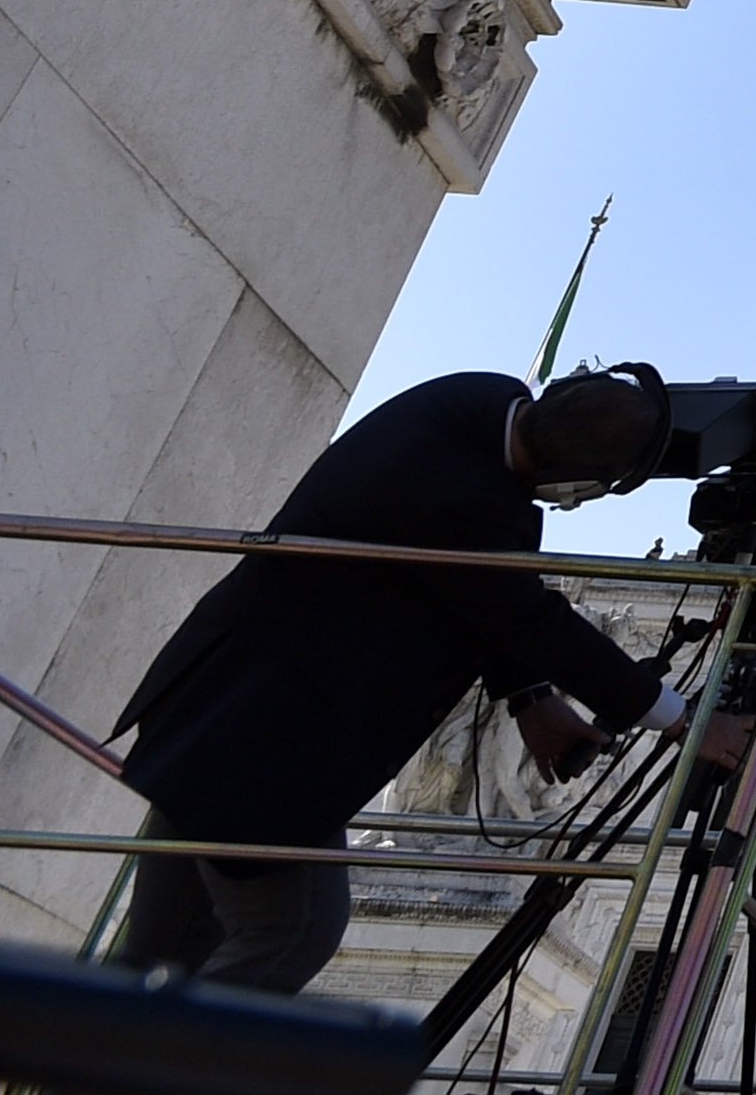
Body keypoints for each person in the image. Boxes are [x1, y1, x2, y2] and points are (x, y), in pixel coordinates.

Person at [107, 364, 685, 991]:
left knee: (157, 955)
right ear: (573, 486)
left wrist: (528, 693)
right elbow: (520, 609)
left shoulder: (477, 398)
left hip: (221, 706)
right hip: (272, 743)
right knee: (294, 933)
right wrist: (681, 717)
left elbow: (477, 586)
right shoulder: (470, 503)